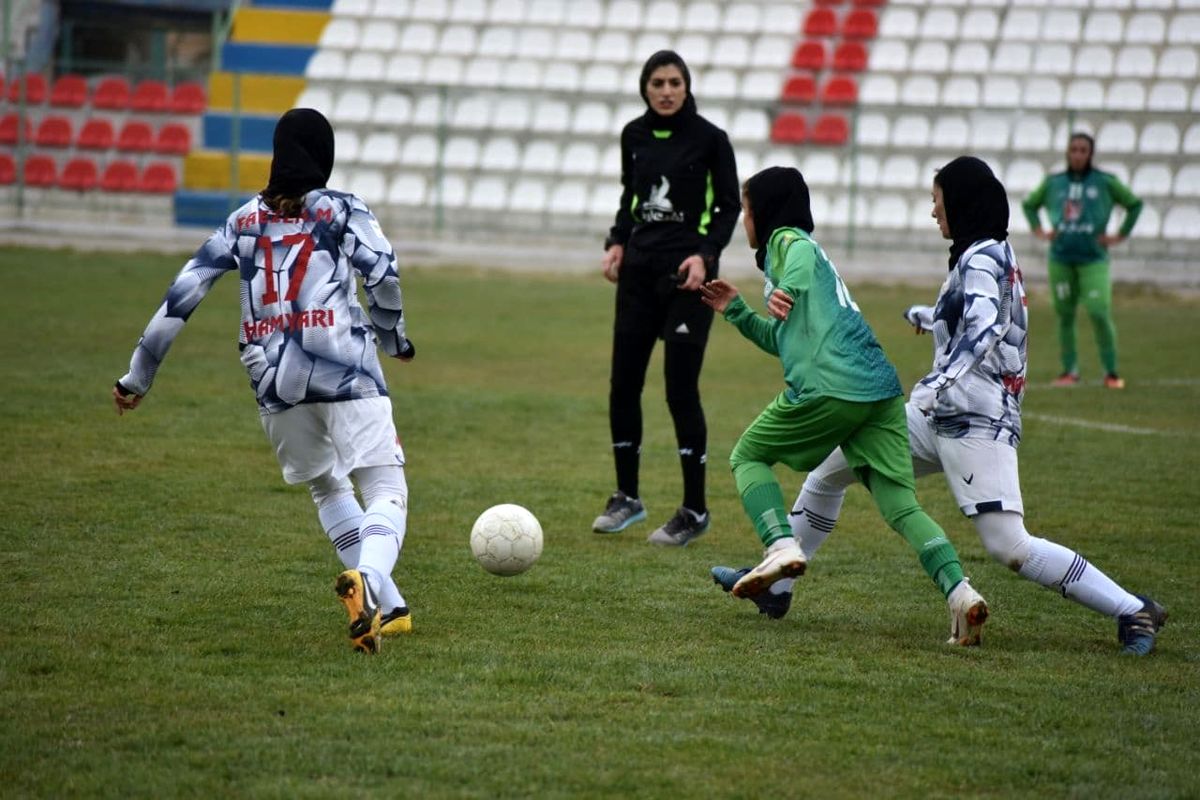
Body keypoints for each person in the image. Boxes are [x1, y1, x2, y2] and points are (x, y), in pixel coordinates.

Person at [724, 157, 1166, 655]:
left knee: (1009, 546)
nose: (934, 212)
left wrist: (940, 378)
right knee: (828, 474)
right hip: (936, 413)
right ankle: (777, 583)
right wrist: (932, 318)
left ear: (960, 202)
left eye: (938, 201)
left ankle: (1133, 609)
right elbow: (977, 316)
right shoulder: (980, 252)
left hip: (976, 421)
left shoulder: (981, 258)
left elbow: (980, 327)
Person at [112, 108, 415, 655]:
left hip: (275, 384)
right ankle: (368, 583)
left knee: (327, 487)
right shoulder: (341, 208)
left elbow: (184, 294)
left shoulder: (243, 220)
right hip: (345, 370)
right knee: (386, 489)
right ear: (324, 156)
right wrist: (393, 338)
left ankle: (388, 608)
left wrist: (137, 377)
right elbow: (383, 270)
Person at [701, 166, 989, 646]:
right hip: (878, 392)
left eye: (747, 210)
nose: (744, 220)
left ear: (765, 213)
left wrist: (786, 288)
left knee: (746, 456)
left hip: (830, 387)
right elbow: (783, 339)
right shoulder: (804, 266)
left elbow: (797, 257)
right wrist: (735, 310)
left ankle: (779, 547)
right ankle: (960, 592)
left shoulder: (788, 242)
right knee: (900, 505)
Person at [593, 50, 740, 546]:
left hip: (687, 280)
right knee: (622, 385)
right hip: (638, 275)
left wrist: (705, 256)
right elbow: (630, 200)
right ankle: (626, 497)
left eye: (675, 81)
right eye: (657, 82)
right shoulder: (633, 135)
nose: (666, 90)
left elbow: (727, 206)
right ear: (645, 87)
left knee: (680, 391)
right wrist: (616, 241)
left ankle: (694, 509)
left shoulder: (711, 139)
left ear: (686, 85)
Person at [1021, 132, 1143, 389]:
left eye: (1082, 150)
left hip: (1093, 259)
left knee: (1099, 311)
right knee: (1064, 314)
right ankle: (1070, 371)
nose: (1077, 154)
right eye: (1073, 149)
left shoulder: (1105, 182)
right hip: (1061, 259)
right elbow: (1030, 205)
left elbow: (1134, 204)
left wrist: (1119, 235)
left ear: (1090, 154)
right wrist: (1039, 230)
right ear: (1067, 153)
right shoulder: (1054, 183)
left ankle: (1111, 372)